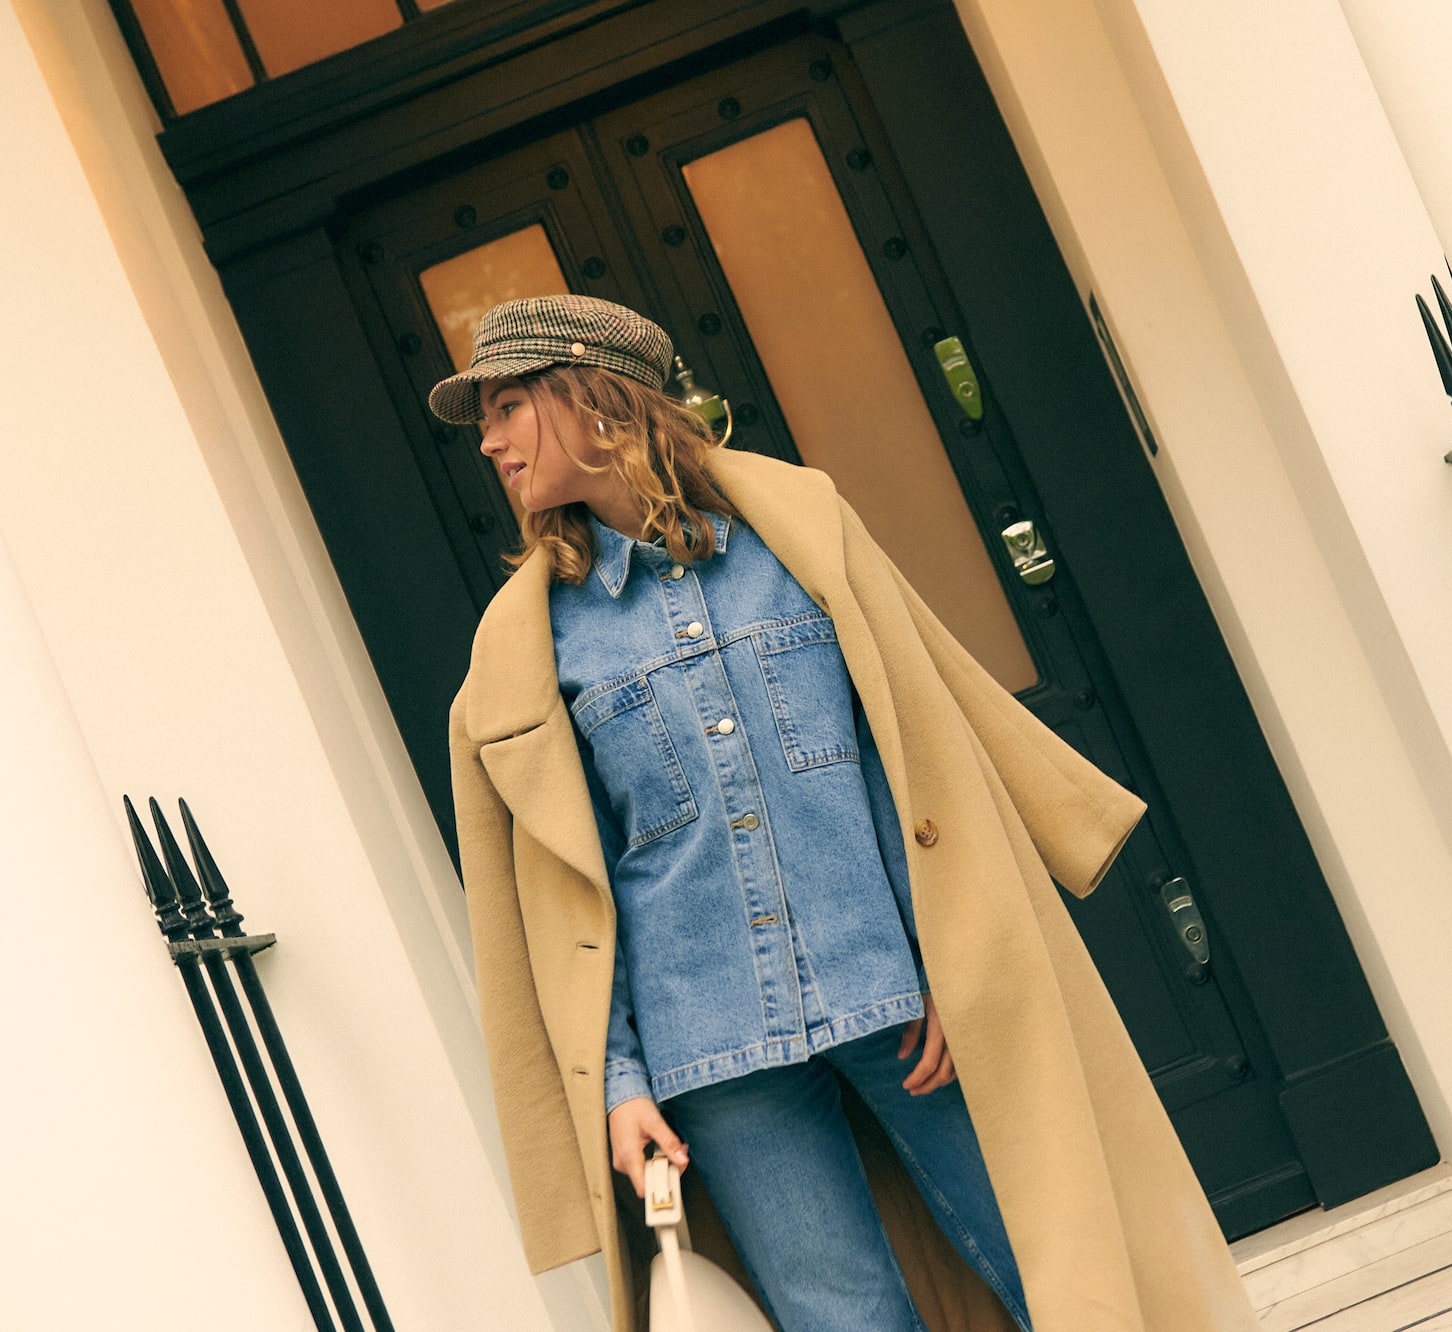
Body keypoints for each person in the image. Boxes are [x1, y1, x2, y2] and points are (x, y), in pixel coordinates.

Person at [438, 295, 1265, 1332]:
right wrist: (617, 1081)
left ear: (592, 400)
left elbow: (896, 762)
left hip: (894, 992)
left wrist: (940, 957)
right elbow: (573, 897)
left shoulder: (796, 543)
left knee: (1059, 1266)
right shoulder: (536, 648)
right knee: (847, 1320)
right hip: (713, 1053)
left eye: (509, 405)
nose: (489, 438)